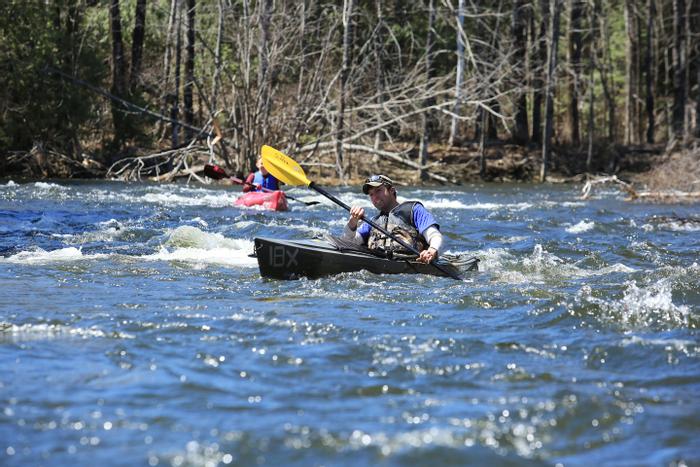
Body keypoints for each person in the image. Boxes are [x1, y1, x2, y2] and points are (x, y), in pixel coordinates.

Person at [342, 174, 443, 264]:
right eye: (371, 194)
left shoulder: (414, 210)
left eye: (378, 191)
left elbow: (434, 235)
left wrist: (431, 250)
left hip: (411, 266)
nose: (375, 197)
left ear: (392, 190)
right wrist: (353, 222)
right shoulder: (373, 222)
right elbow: (348, 243)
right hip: (380, 267)